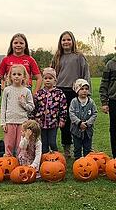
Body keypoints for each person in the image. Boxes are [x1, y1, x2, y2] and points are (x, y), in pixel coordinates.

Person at [50, 30, 90, 158]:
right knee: (64, 121)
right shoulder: (57, 56)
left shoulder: (79, 56)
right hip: (60, 91)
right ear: (60, 42)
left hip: (75, 91)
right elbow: (51, 74)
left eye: (68, 39)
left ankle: (82, 146)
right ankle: (66, 148)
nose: (66, 42)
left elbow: (86, 74)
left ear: (73, 41)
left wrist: (86, 91)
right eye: (63, 40)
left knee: (78, 119)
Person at [0, 64, 35, 157]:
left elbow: (31, 107)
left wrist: (24, 104)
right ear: (10, 76)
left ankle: (20, 162)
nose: (16, 76)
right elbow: (3, 107)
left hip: (22, 122)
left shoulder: (26, 91)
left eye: (19, 74)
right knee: (9, 144)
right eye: (14, 74)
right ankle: (9, 161)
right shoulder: (7, 90)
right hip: (9, 122)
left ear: (23, 77)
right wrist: (3, 123)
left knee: (21, 145)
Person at [33, 67, 67, 153]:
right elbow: (34, 107)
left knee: (52, 142)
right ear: (43, 80)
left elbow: (63, 107)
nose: (48, 80)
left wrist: (62, 119)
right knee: (44, 143)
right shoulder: (39, 93)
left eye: (50, 78)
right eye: (45, 78)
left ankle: (56, 157)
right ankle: (45, 158)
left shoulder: (59, 93)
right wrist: (33, 119)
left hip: (53, 123)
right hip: (41, 122)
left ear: (55, 80)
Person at [69, 79, 97, 159]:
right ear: (77, 90)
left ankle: (87, 160)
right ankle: (78, 161)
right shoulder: (74, 102)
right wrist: (79, 123)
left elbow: (94, 113)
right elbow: (71, 113)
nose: (84, 91)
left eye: (86, 89)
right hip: (76, 130)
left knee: (87, 147)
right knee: (77, 147)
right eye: (82, 89)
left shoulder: (91, 102)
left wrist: (88, 123)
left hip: (88, 130)